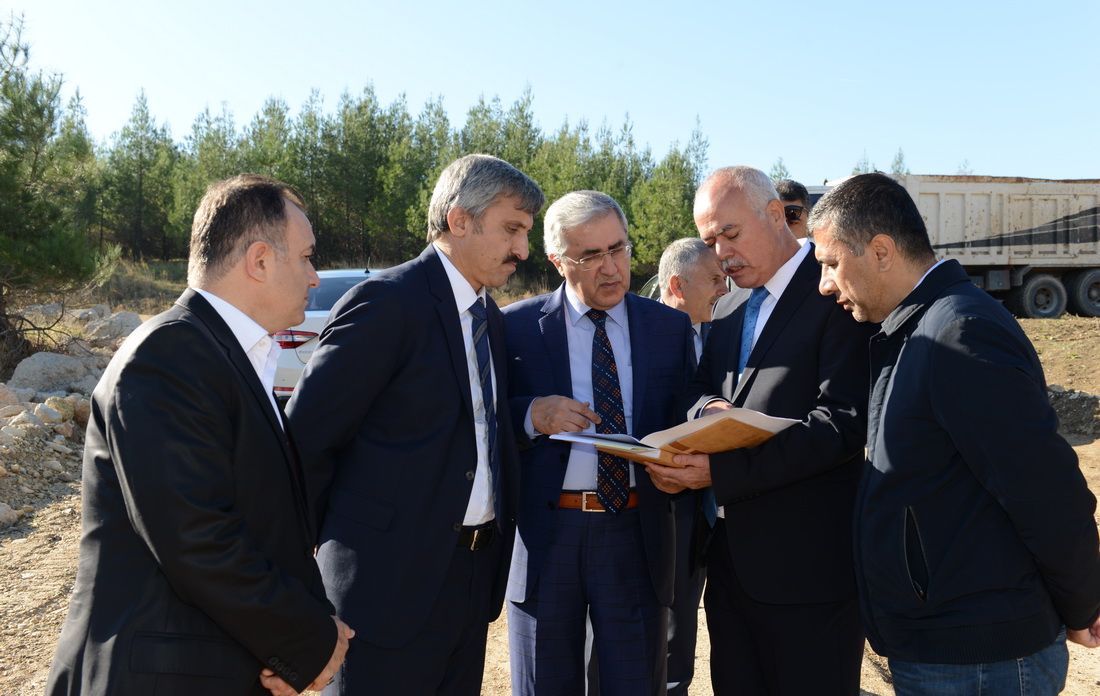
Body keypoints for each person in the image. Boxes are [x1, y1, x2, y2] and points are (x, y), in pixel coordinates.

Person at [45, 174, 353, 696]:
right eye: (306, 257)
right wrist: (306, 640)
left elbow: (268, 524)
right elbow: (197, 537)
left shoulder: (221, 353)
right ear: (260, 260)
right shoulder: (168, 355)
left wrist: (303, 630)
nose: (314, 276)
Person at [808, 171, 1100, 696]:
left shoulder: (959, 332)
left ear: (880, 251)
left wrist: (1082, 605)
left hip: (982, 658)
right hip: (950, 648)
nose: (824, 284)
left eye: (831, 263)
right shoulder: (913, 329)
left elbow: (1044, 490)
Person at [286, 154, 544, 696]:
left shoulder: (489, 318)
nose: (523, 249)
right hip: (383, 591)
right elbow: (307, 439)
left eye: (526, 233)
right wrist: (296, 580)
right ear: (459, 220)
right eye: (512, 229)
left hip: (470, 582)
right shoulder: (386, 303)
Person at [646, 166, 874, 696]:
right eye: (710, 241)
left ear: (775, 215)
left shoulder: (834, 292)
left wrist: (720, 472)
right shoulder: (726, 306)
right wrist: (708, 409)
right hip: (730, 569)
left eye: (730, 234)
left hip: (810, 574)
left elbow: (841, 424)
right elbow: (695, 387)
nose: (721, 254)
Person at [501, 190, 695, 696]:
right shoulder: (515, 327)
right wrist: (529, 415)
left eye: (618, 249)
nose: (611, 268)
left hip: (636, 531)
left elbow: (686, 410)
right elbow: (485, 421)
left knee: (635, 682)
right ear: (557, 261)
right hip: (548, 536)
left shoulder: (669, 328)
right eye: (590, 256)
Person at [655, 236, 728, 695]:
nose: (724, 289)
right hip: (651, 505)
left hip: (703, 511)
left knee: (682, 624)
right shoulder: (635, 336)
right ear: (678, 286)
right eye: (715, 279)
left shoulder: (722, 336)